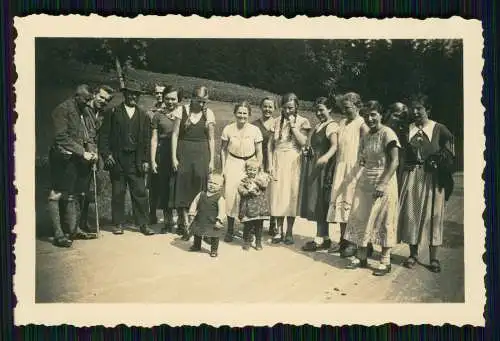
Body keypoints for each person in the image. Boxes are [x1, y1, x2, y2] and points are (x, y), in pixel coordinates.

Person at [398, 94, 455, 273]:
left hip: (434, 177)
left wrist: (442, 161)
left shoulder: (440, 129)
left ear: (428, 110)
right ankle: (413, 254)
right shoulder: (407, 130)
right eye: (413, 108)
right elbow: (401, 155)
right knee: (411, 214)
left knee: (434, 216)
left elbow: (451, 151)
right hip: (412, 175)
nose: (415, 112)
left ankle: (434, 258)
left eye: (419, 108)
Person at [343, 101, 401, 276]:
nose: (370, 118)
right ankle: (361, 256)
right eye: (367, 115)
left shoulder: (388, 133)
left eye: (373, 114)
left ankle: (385, 260)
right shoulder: (366, 136)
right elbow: (363, 157)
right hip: (366, 180)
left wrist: (382, 183)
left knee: (383, 219)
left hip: (384, 181)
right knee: (360, 217)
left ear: (381, 115)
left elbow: (395, 161)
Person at [99, 80, 154, 236]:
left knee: (140, 192)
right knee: (118, 192)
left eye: (136, 95)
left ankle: (143, 224)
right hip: (117, 159)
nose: (133, 97)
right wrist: (106, 154)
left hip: (135, 160)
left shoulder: (143, 115)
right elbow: (103, 136)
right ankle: (118, 223)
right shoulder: (113, 112)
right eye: (130, 94)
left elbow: (146, 141)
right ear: (125, 94)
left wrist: (145, 161)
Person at [47, 85, 99, 247]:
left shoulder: (84, 111)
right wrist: (82, 152)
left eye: (90, 99)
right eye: (85, 99)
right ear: (76, 96)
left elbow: (88, 135)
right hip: (61, 157)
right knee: (56, 193)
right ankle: (58, 234)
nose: (88, 102)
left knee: (71, 194)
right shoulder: (61, 110)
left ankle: (73, 230)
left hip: (76, 158)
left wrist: (92, 152)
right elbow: (61, 137)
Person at [326, 92, 370, 257]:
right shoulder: (342, 122)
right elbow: (337, 147)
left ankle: (353, 242)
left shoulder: (362, 124)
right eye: (343, 108)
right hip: (341, 166)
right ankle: (344, 240)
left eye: (348, 108)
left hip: (355, 168)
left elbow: (367, 147)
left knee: (352, 205)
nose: (344, 111)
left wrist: (362, 165)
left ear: (358, 106)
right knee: (340, 203)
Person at [171, 86, 216, 240]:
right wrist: (174, 157)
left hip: (202, 153)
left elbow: (211, 138)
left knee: (200, 189)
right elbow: (175, 135)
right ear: (193, 98)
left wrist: (211, 161)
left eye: (204, 101)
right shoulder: (181, 110)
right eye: (199, 101)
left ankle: (200, 226)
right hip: (184, 151)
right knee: (183, 187)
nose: (202, 104)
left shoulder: (208, 113)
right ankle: (185, 226)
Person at [268, 93, 311, 245]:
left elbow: (303, 142)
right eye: (285, 108)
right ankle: (279, 231)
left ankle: (289, 232)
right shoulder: (275, 121)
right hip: (278, 159)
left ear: (296, 107)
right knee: (278, 195)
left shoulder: (303, 121)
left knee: (291, 196)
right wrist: (270, 165)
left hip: (294, 160)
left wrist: (293, 126)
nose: (288, 111)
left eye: (291, 108)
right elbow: (270, 145)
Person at [220, 101, 263, 242]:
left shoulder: (255, 130)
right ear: (235, 113)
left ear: (249, 115)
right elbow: (222, 149)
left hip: (250, 165)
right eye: (239, 112)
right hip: (233, 162)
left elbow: (259, 151)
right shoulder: (228, 129)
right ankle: (230, 230)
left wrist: (257, 167)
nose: (242, 115)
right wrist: (223, 168)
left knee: (248, 196)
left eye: (245, 113)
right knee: (231, 195)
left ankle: (247, 230)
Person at [300, 97, 339, 252]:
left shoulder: (332, 126)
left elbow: (335, 145)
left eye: (322, 109)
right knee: (317, 200)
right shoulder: (319, 125)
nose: (319, 113)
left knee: (320, 201)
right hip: (315, 165)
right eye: (317, 110)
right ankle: (326, 237)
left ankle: (319, 238)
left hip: (324, 167)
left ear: (329, 109)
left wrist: (325, 157)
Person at [78, 84, 115, 233]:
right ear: (94, 94)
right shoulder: (84, 110)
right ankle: (73, 224)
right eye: (101, 97)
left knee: (89, 190)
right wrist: (88, 151)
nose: (103, 101)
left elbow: (100, 136)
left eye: (106, 99)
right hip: (80, 153)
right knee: (77, 190)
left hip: (94, 154)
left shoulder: (103, 113)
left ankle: (83, 222)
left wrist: (98, 154)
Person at [149, 85, 183, 233]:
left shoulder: (183, 114)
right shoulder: (158, 115)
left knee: (178, 187)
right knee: (164, 187)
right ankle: (167, 221)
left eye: (173, 99)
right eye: (167, 98)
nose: (170, 102)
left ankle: (182, 222)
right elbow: (154, 139)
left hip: (179, 153)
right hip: (163, 154)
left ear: (178, 100)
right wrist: (152, 160)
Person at [252, 96, 278, 236]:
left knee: (273, 193)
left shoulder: (278, 123)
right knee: (259, 191)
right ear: (261, 107)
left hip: (274, 161)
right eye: (265, 106)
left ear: (274, 108)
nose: (267, 109)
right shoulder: (254, 124)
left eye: (270, 107)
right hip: (258, 161)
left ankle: (273, 224)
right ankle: (256, 221)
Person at [188, 173, 226, 258]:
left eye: (215, 184)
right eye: (210, 182)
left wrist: (219, 220)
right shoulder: (201, 194)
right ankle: (196, 245)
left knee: (214, 235)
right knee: (197, 232)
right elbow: (194, 203)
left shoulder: (219, 198)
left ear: (220, 187)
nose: (212, 185)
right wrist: (192, 212)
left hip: (212, 221)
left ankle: (214, 250)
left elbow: (222, 210)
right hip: (200, 218)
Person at [237, 159, 271, 251]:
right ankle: (247, 241)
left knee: (259, 226)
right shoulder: (244, 180)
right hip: (248, 207)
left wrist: (257, 181)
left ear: (258, 170)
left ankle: (258, 242)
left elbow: (265, 186)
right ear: (246, 170)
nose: (251, 172)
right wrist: (247, 192)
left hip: (259, 208)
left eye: (254, 170)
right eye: (249, 170)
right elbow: (240, 189)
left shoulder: (260, 180)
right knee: (248, 225)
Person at [384, 102, 410, 193]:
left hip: (399, 158)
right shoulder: (383, 127)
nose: (397, 119)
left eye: (401, 117)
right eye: (395, 115)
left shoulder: (404, 130)